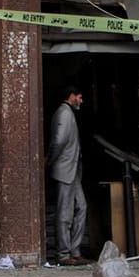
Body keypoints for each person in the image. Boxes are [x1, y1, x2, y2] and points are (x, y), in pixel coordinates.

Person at [48, 84, 88, 266]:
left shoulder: (68, 113)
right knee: (65, 213)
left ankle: (75, 250)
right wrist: (50, 160)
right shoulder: (64, 113)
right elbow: (59, 140)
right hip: (65, 169)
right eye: (79, 97)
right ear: (72, 96)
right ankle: (63, 254)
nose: (81, 101)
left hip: (72, 170)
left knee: (81, 207)